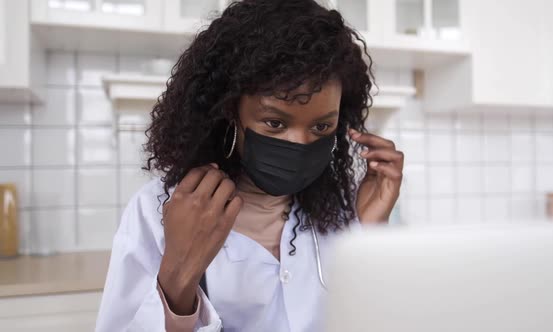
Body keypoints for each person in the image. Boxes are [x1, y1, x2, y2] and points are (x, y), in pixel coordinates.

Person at [95, 0, 404, 331]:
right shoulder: (157, 210)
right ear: (231, 111)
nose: (300, 144)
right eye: (274, 123)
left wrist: (367, 235)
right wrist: (177, 277)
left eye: (321, 127)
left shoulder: (339, 212)